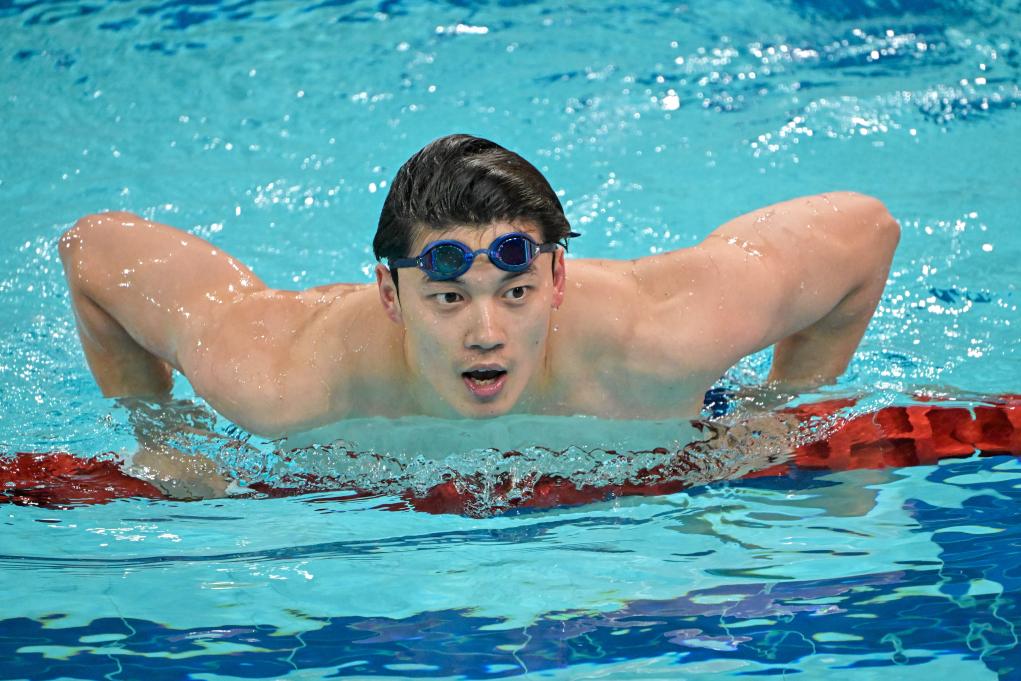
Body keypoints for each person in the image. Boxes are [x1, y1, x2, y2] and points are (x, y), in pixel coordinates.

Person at [59, 134, 900, 441]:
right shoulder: (283, 379)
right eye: (449, 297)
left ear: (558, 278)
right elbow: (93, 251)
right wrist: (159, 430)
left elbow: (865, 231)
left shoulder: (661, 338)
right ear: (391, 297)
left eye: (516, 291)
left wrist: (782, 408)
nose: (486, 331)